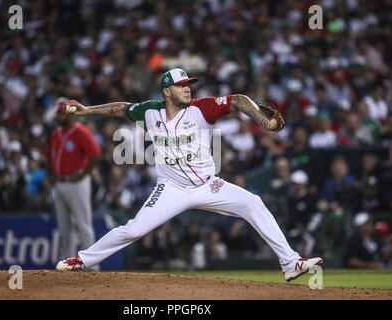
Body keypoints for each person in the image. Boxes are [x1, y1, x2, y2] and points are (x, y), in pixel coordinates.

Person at [56, 68, 322, 282]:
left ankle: (290, 262)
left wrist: (264, 122)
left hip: (209, 185)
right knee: (134, 229)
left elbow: (239, 100)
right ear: (166, 91)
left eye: (188, 84)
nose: (187, 88)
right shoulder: (149, 111)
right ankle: (81, 260)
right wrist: (88, 111)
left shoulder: (201, 108)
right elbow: (122, 108)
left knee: (253, 203)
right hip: (171, 188)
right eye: (181, 85)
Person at [47, 98, 102, 266]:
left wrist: (84, 173)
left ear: (69, 115)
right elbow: (51, 156)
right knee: (65, 229)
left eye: (60, 114)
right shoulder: (56, 133)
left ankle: (92, 266)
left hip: (77, 182)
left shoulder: (80, 131)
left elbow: (95, 156)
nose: (57, 117)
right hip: (60, 182)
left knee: (83, 225)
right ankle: (67, 264)